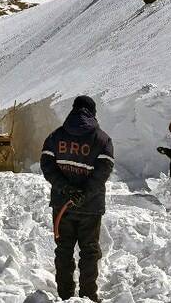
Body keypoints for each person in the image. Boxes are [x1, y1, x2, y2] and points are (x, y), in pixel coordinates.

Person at [40, 95, 114, 301]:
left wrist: (66, 189)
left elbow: (47, 165)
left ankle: (65, 295)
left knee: (63, 250)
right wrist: (85, 193)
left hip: (62, 206)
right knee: (89, 252)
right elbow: (103, 171)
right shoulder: (102, 139)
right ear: (92, 112)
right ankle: (88, 296)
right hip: (90, 208)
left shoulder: (55, 137)